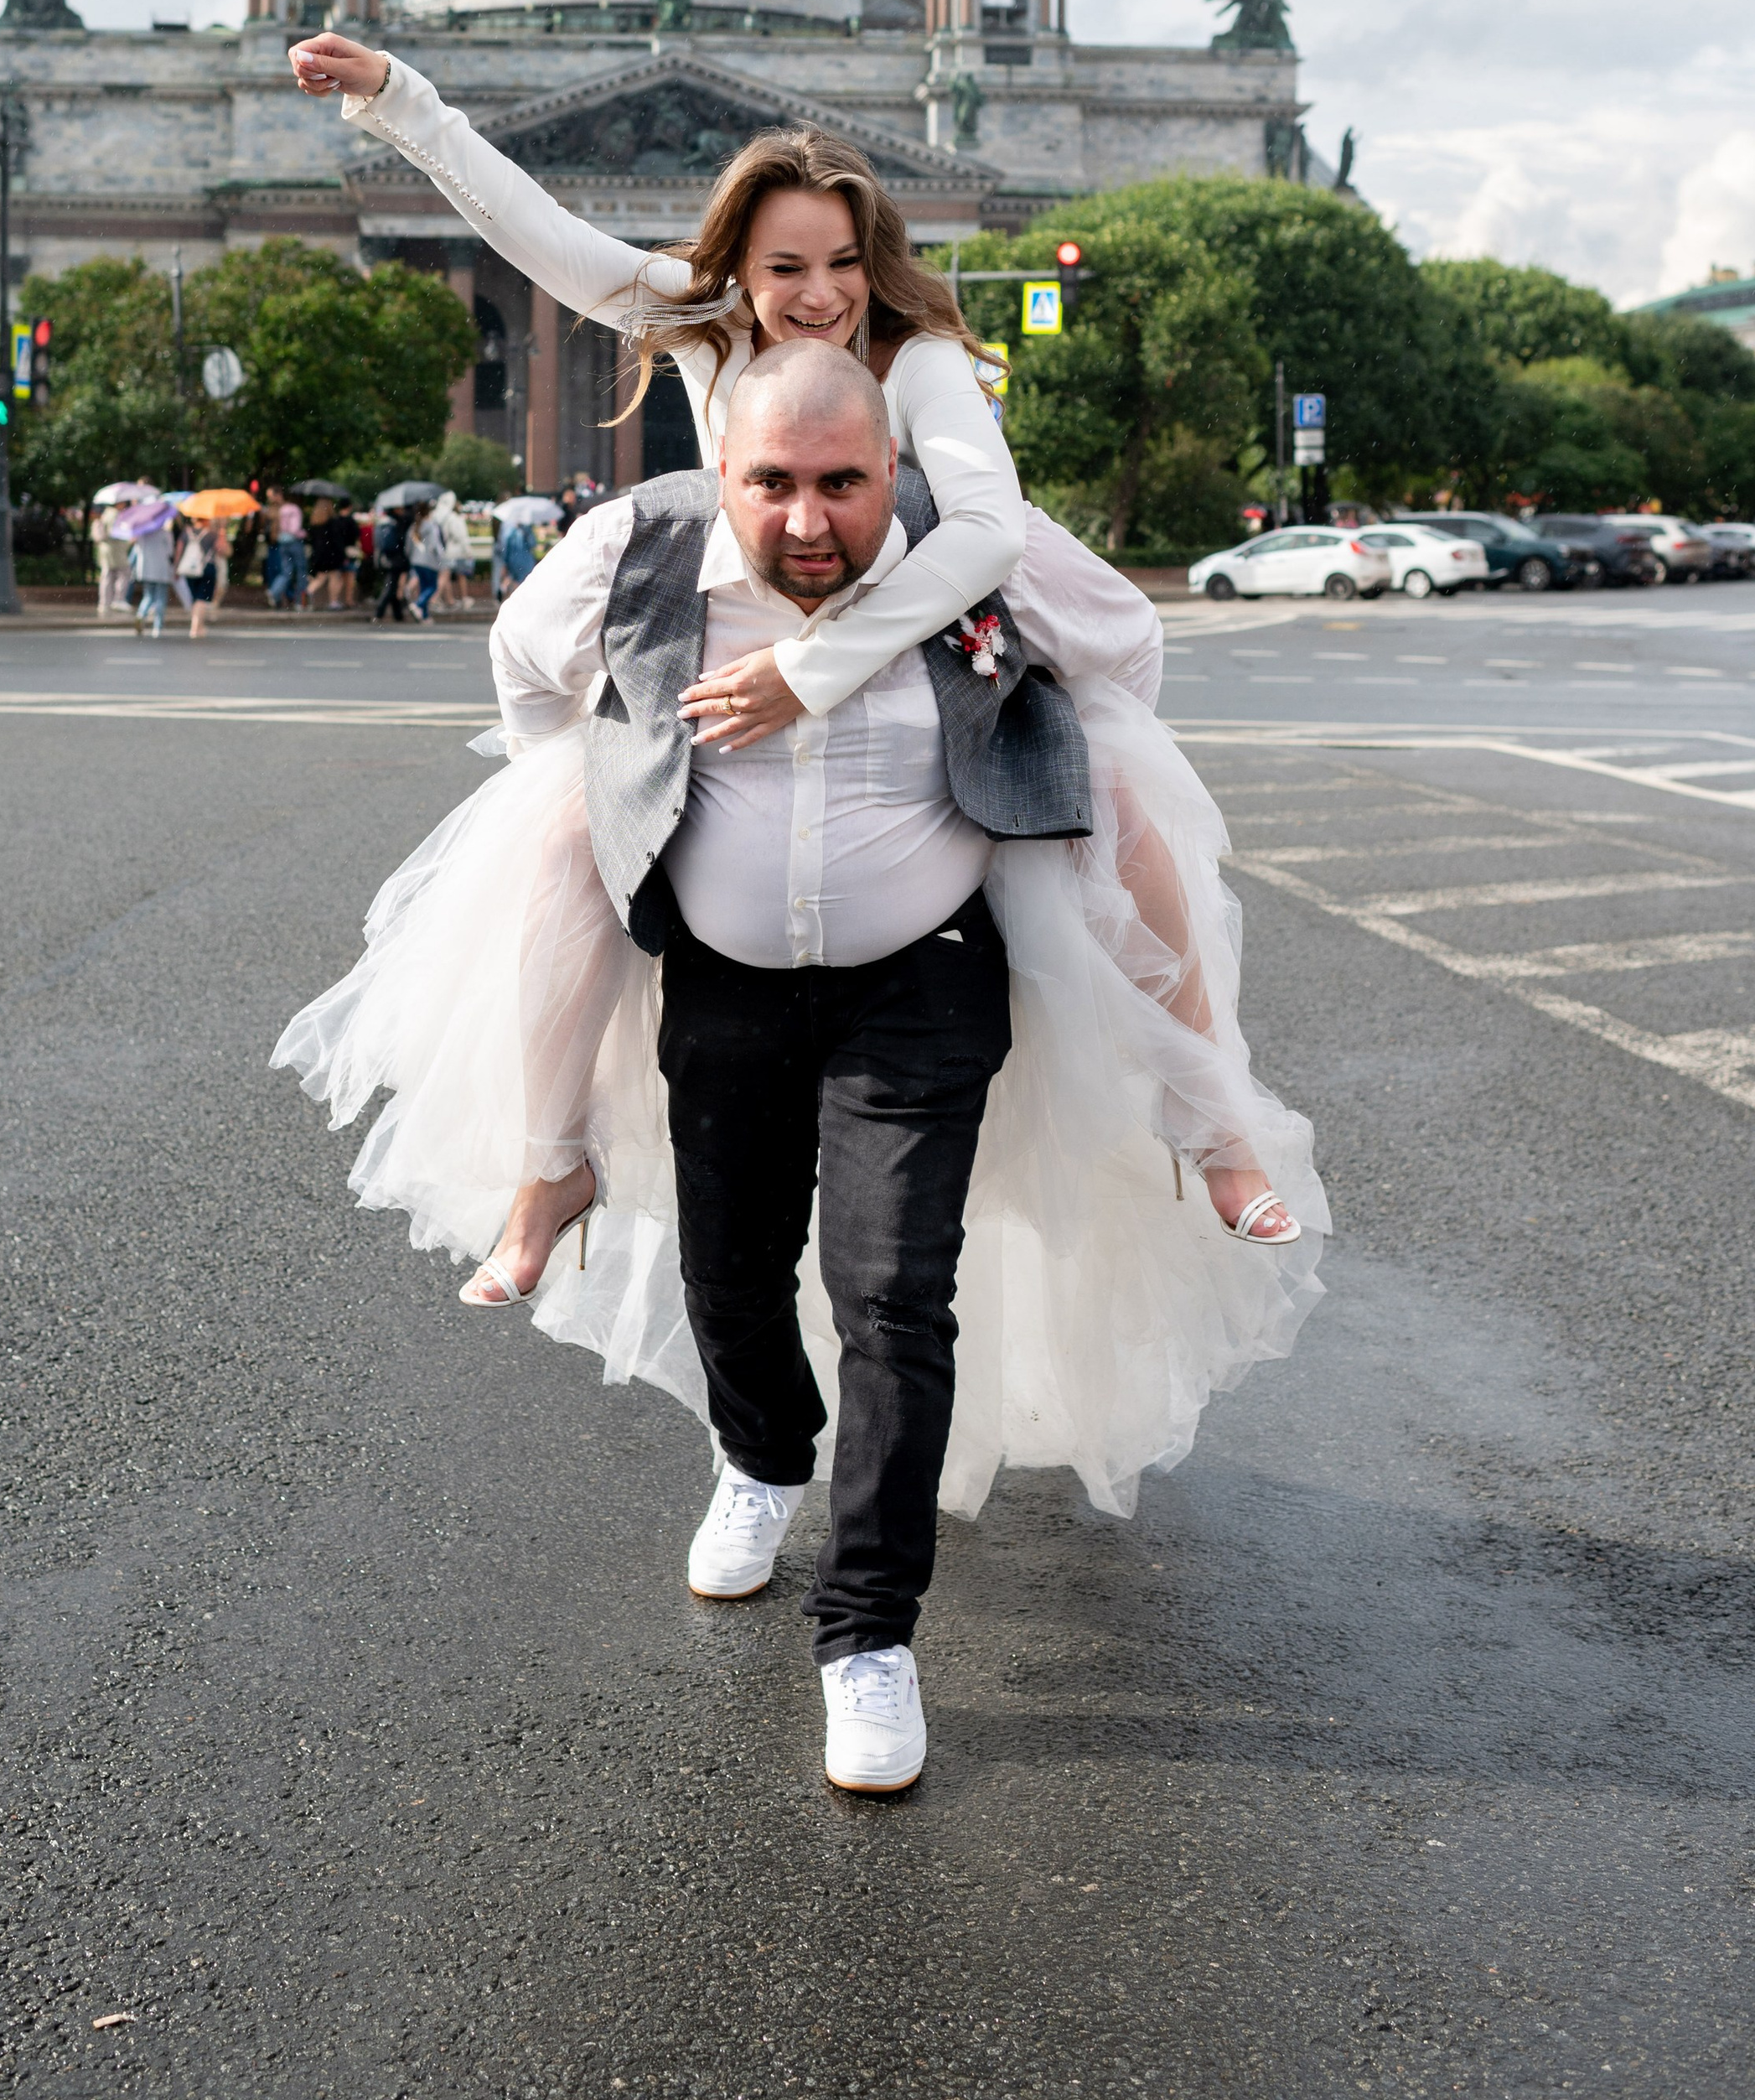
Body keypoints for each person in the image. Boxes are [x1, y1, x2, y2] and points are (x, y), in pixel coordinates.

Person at [278, 348, 1314, 1791]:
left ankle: (869, 1634)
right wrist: (590, 789)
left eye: (843, 481)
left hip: (926, 980)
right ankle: (764, 1458)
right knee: (732, 1273)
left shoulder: (978, 551)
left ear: (897, 470)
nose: (810, 518)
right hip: (726, 983)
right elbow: (522, 662)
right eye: (774, 483)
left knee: (896, 1293)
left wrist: (1045, 749)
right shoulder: (643, 559)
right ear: (726, 470)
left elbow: (1128, 650)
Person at [286, 31, 1310, 1294]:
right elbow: (536, 233)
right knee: (563, 846)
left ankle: (1218, 1134)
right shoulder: (703, 326)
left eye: (840, 263)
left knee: (1123, 820)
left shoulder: (918, 357)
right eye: (785, 267)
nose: (817, 293)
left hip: (934, 607)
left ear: (871, 261)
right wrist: (401, 103)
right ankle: (553, 1167)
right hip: (742, 608)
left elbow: (988, 529)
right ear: (738, 265)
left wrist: (814, 676)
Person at [128, 500, 175, 637]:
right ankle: (157, 627)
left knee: (148, 596)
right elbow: (170, 552)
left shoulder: (143, 533)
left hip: (146, 569)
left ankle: (141, 615)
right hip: (161, 569)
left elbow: (137, 549)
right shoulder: (165, 533)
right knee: (161, 597)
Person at [305, 497, 360, 613]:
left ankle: (309, 592)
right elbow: (337, 541)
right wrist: (342, 555)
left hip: (318, 555)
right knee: (334, 577)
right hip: (331, 555)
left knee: (320, 577)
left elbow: (311, 540)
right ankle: (333, 602)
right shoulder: (332, 522)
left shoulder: (315, 522)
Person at [266, 489, 306, 612]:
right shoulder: (295, 509)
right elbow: (294, 529)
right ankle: (299, 601)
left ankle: (274, 591)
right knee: (301, 571)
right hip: (294, 542)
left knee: (286, 571)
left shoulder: (282, 510)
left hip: (282, 542)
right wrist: (303, 534)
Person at [370, 501, 410, 624]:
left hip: (386, 559)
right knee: (390, 587)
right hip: (396, 560)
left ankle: (398, 614)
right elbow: (400, 542)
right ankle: (379, 613)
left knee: (392, 586)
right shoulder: (396, 523)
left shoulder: (383, 523)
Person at [94, 501, 133, 621]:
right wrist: (128, 539)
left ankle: (104, 603)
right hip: (116, 550)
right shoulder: (115, 514)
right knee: (124, 573)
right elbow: (115, 532)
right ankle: (118, 600)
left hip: (106, 549)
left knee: (107, 576)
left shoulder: (106, 513)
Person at [407, 500, 446, 622]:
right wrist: (442, 559)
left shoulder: (414, 526)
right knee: (432, 587)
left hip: (416, 561)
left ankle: (424, 616)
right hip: (429, 561)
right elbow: (435, 546)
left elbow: (408, 546)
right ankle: (418, 605)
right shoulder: (431, 526)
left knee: (424, 587)